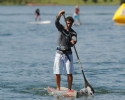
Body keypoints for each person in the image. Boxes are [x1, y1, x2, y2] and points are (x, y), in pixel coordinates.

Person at [53, 10, 77, 91]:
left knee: (69, 72)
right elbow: (56, 22)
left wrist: (73, 42)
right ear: (65, 22)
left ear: (72, 23)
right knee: (57, 72)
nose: (68, 25)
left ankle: (69, 89)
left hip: (68, 54)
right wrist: (59, 14)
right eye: (67, 23)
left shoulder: (73, 33)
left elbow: (74, 40)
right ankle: (58, 88)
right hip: (59, 54)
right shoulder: (61, 28)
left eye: (70, 23)